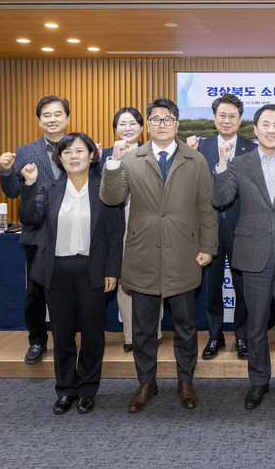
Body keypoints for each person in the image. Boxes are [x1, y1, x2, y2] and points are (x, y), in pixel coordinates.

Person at [100, 97, 218, 413]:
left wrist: (208, 247)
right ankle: (146, 382)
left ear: (176, 124)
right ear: (148, 125)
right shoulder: (132, 158)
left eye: (167, 119)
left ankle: (185, 381)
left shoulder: (195, 159)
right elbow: (111, 198)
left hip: (183, 253)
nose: (161, 124)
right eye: (155, 119)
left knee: (185, 326)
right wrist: (113, 163)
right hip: (143, 253)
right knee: (143, 328)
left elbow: (206, 208)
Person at [211, 104, 275, 410]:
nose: (271, 130)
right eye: (265, 124)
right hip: (253, 253)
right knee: (255, 325)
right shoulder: (239, 163)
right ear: (255, 130)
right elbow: (220, 198)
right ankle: (258, 382)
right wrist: (221, 164)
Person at [18, 132, 123, 415]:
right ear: (59, 159)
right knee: (62, 334)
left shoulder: (104, 188)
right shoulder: (49, 188)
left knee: (92, 333)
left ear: (92, 155)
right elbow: (29, 218)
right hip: (57, 270)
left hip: (93, 268)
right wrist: (29, 185)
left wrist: (112, 270)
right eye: (67, 152)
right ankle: (65, 389)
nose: (73, 156)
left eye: (79, 151)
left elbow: (115, 234)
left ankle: (87, 389)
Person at [0, 95, 71, 365]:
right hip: (38, 234)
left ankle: (68, 340)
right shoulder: (26, 151)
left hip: (74, 232)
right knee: (35, 292)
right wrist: (7, 170)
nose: (52, 119)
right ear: (39, 120)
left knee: (72, 290)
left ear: (67, 118)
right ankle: (37, 340)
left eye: (57, 114)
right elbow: (12, 191)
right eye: (46, 115)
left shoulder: (79, 146)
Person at [190, 93, 256, 360]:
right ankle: (214, 336)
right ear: (214, 118)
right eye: (222, 115)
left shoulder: (252, 149)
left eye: (232, 116)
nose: (227, 120)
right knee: (211, 287)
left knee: (243, 287)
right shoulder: (199, 148)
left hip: (243, 229)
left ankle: (242, 337)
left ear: (240, 120)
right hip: (209, 228)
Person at [100, 107, 162, 353]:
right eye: (122, 124)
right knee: (124, 281)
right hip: (118, 225)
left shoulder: (154, 153)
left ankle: (153, 333)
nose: (127, 128)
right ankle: (130, 336)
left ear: (141, 127)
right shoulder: (104, 156)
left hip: (149, 225)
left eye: (132, 123)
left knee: (152, 279)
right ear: (115, 129)